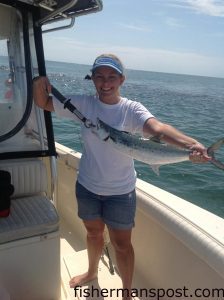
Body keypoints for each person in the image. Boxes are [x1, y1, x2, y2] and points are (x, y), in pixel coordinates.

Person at [33, 54, 210, 300]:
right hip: (87, 186)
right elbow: (43, 102)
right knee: (93, 234)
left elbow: (157, 129)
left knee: (122, 246)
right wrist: (37, 80)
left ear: (121, 79)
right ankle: (91, 272)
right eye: (99, 76)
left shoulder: (131, 109)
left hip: (120, 193)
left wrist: (192, 145)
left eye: (111, 77)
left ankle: (126, 293)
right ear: (92, 78)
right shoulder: (84, 104)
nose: (105, 82)